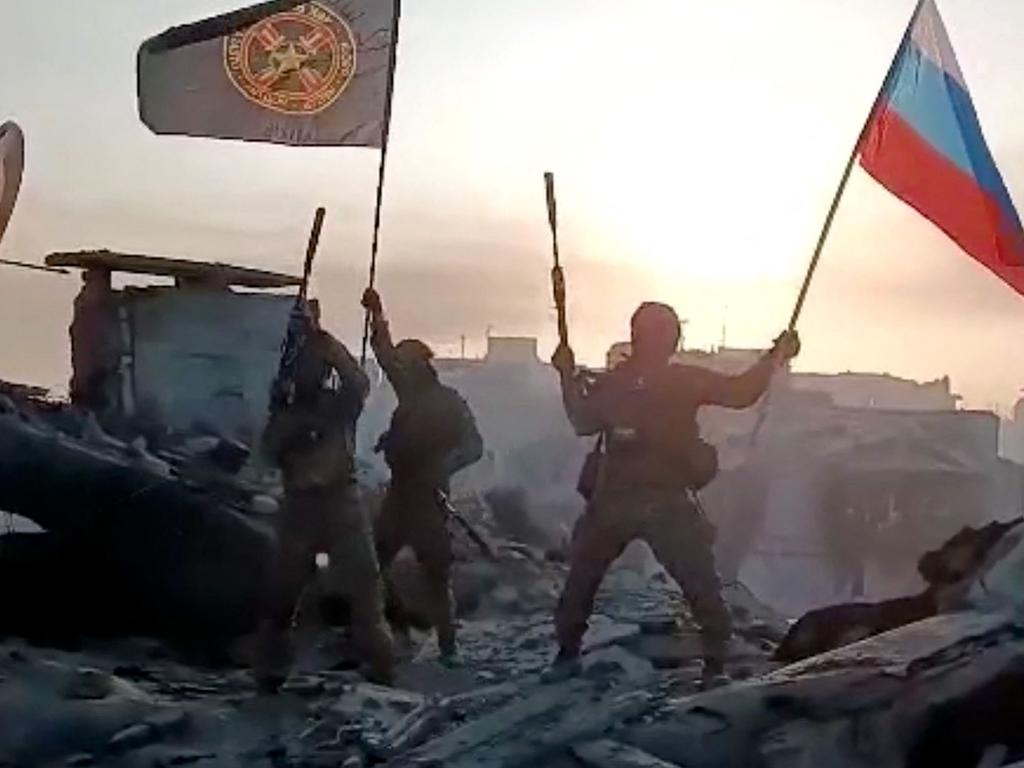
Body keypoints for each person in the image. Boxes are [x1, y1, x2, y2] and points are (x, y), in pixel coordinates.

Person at [549, 301, 800, 689]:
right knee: (700, 584)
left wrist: (566, 377)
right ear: (670, 339)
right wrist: (773, 358)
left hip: (616, 499)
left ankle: (567, 655)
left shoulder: (615, 383)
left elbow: (582, 421)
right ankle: (715, 662)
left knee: (582, 580)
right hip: (662, 500)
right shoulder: (682, 381)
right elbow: (741, 393)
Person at [255, 304, 394, 692]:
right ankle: (270, 672)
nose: (310, 371)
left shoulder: (339, 406)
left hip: (341, 503)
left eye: (316, 365)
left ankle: (380, 666)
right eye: (304, 365)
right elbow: (267, 452)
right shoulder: (284, 415)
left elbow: (358, 382)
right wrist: (283, 415)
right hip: (299, 507)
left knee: (365, 590)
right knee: (281, 596)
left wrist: (325, 341)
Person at [362, 287, 484, 665]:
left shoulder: (448, 402)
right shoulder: (412, 395)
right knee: (373, 565)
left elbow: (473, 447)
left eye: (405, 364)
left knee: (435, 575)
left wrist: (442, 469)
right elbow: (383, 355)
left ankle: (447, 646)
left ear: (419, 366)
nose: (399, 369)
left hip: (428, 499)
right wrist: (377, 314)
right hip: (401, 494)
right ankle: (391, 631)